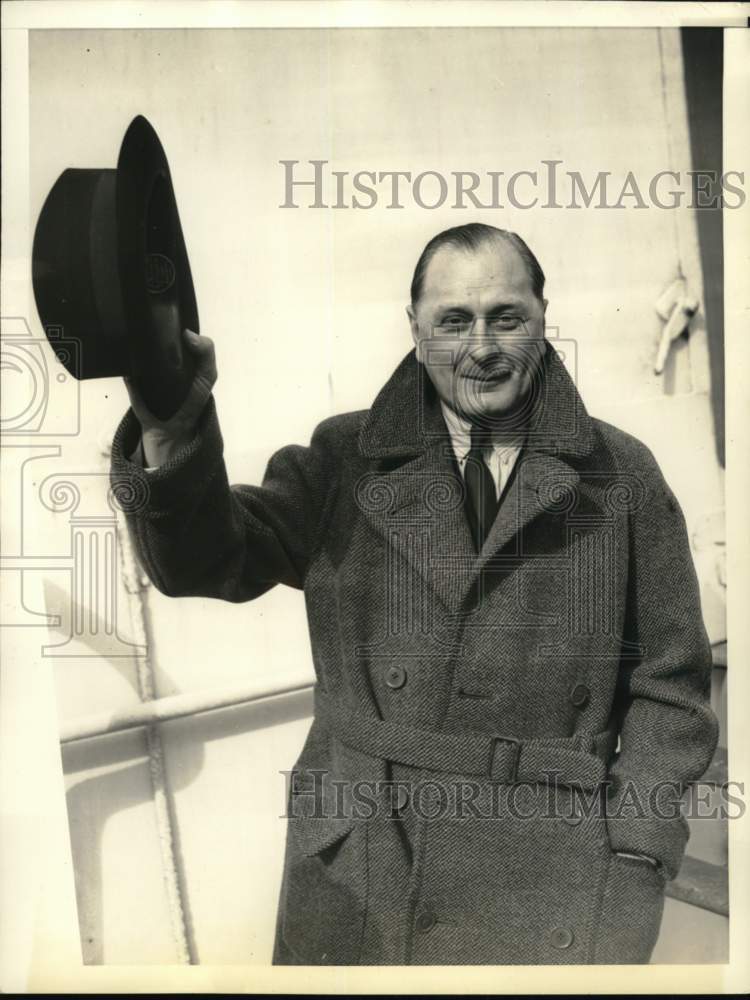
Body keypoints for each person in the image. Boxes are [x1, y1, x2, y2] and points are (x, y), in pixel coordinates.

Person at [110, 223, 718, 965]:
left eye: (507, 317)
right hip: (366, 863)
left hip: (551, 876)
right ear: (416, 330)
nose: (482, 346)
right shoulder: (344, 460)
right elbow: (204, 562)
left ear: (544, 314)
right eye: (453, 321)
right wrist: (173, 432)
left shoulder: (620, 474)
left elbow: (673, 693)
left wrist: (635, 863)